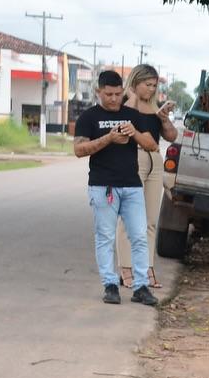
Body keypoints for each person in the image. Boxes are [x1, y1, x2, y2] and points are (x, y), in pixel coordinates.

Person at [73, 69, 162, 307]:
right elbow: (79, 150)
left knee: (140, 236)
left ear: (124, 91)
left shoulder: (132, 114)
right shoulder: (89, 117)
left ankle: (141, 286)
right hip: (103, 186)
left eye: (117, 94)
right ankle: (110, 284)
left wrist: (134, 134)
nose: (113, 99)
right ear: (98, 92)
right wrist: (108, 139)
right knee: (105, 237)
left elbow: (152, 144)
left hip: (132, 185)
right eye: (108, 94)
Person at [115, 64, 178, 289]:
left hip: (155, 161)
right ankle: (126, 268)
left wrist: (163, 118)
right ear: (135, 83)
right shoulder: (123, 104)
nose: (151, 90)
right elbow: (123, 122)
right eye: (147, 85)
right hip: (133, 160)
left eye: (154, 85)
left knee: (150, 220)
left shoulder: (155, 108)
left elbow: (172, 135)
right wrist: (131, 96)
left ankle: (148, 267)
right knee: (129, 218)